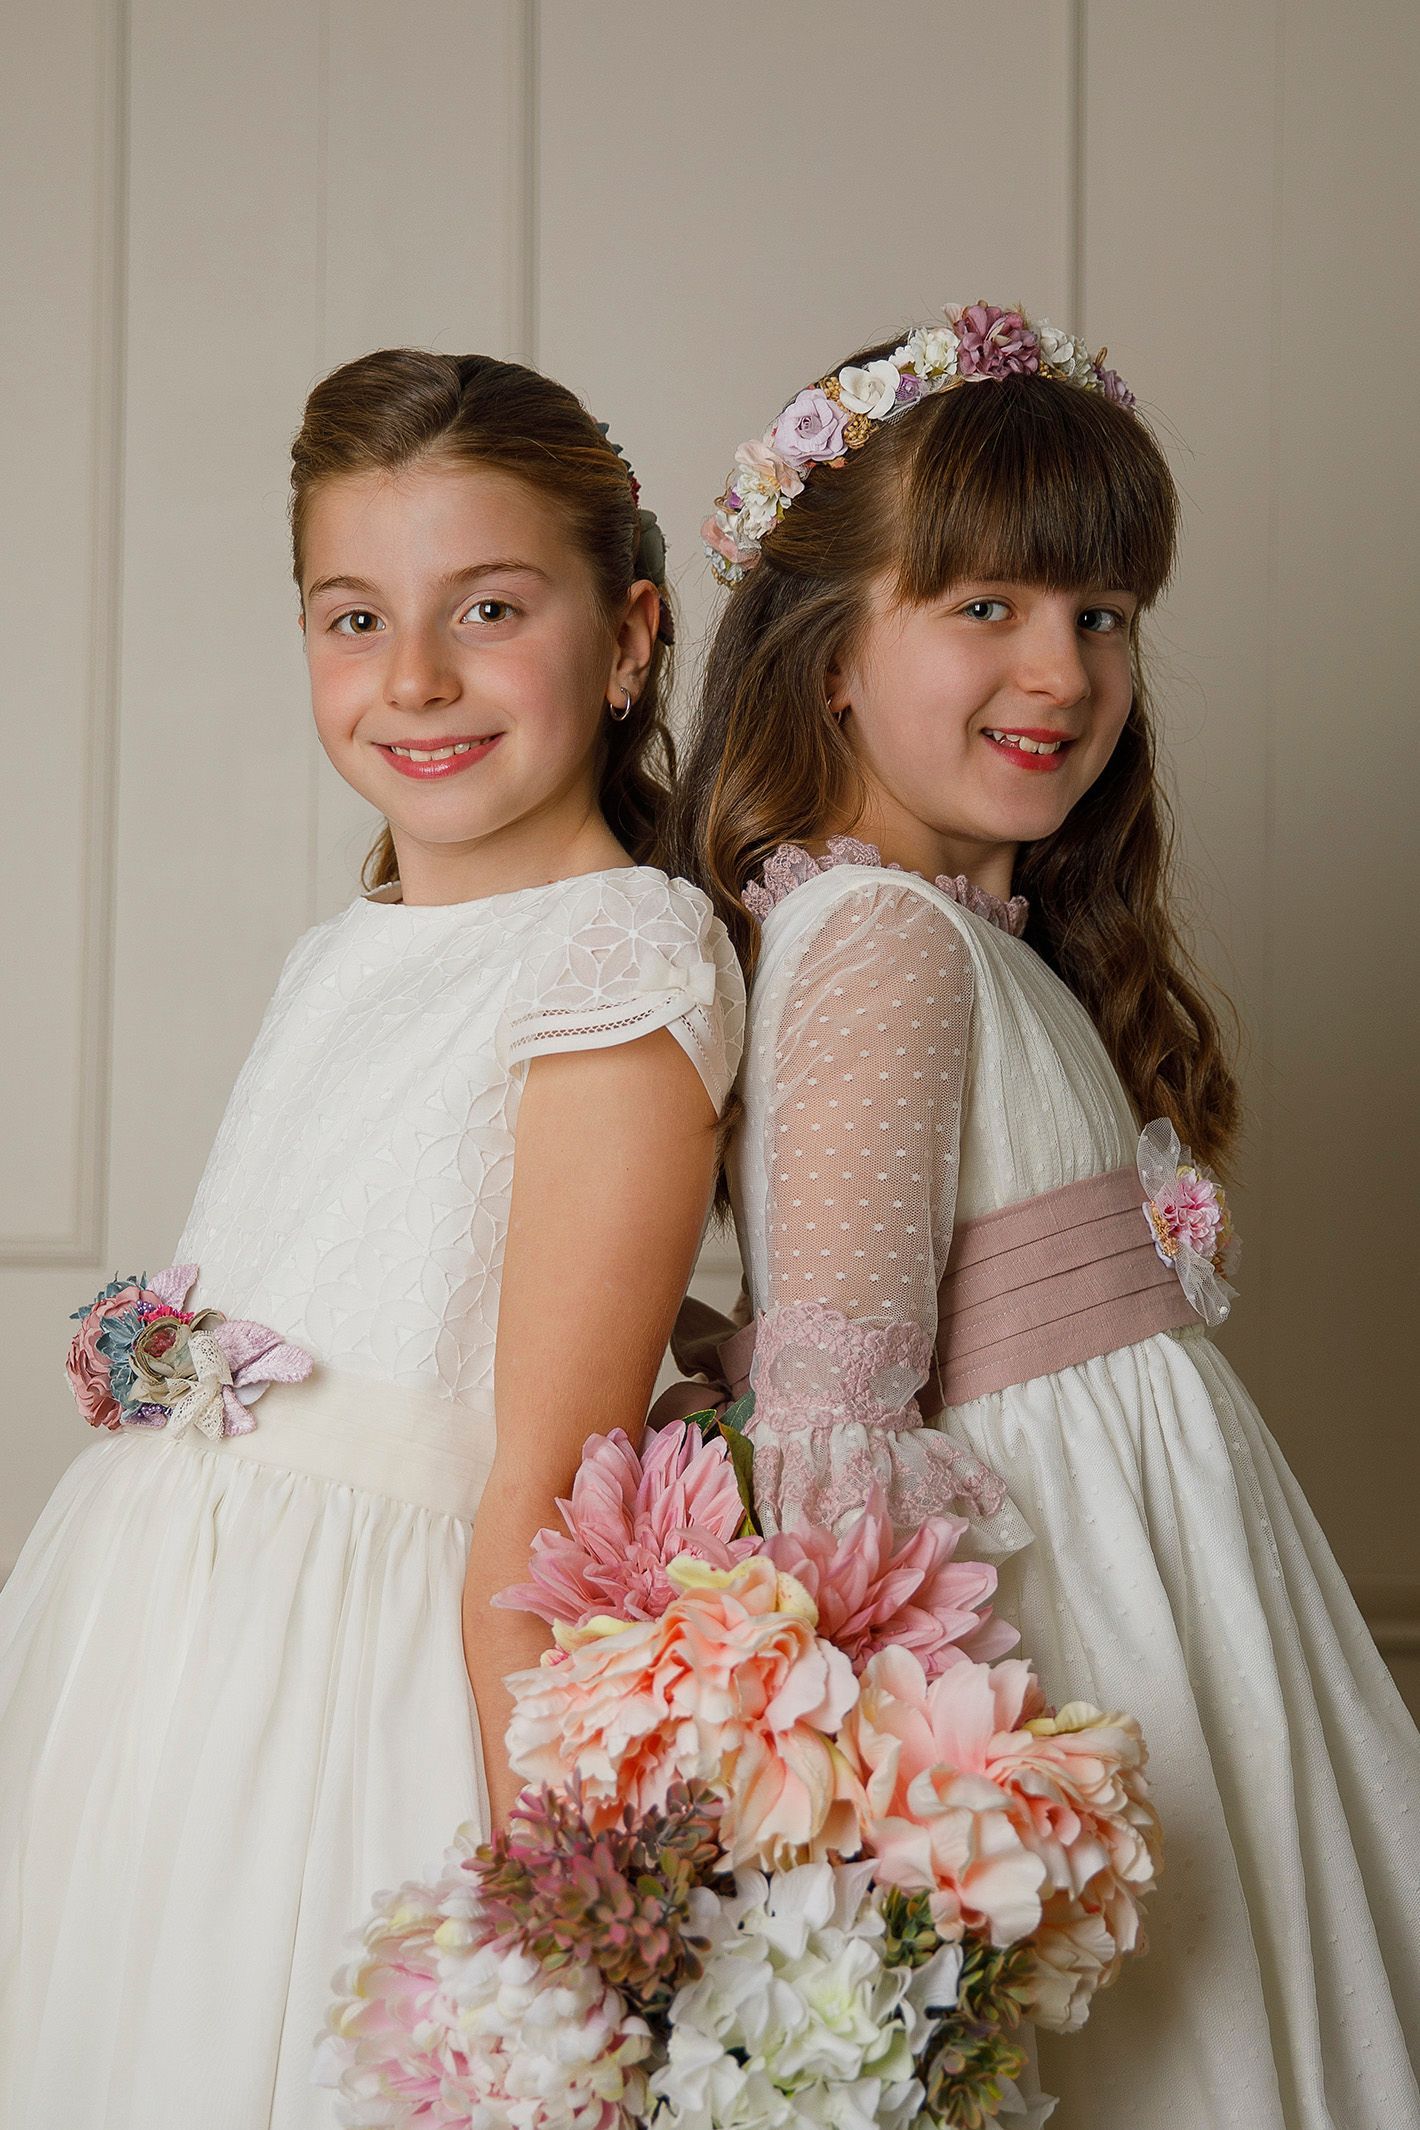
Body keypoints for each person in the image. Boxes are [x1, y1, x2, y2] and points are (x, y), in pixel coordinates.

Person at [668, 303, 1419, 2128]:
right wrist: (888, 1803)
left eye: (1101, 615)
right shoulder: (877, 943)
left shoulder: (948, 936)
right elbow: (837, 1419)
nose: (1064, 671)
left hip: (1163, 1571)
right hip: (1074, 1610)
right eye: (984, 607)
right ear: (832, 653)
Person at [0, 348, 744, 2129]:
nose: (411, 677)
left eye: (488, 607)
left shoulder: (618, 957)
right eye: (352, 616)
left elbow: (546, 1483)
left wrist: (559, 1926)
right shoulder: (344, 950)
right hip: (159, 1650)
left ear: (631, 634)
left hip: (368, 1683)